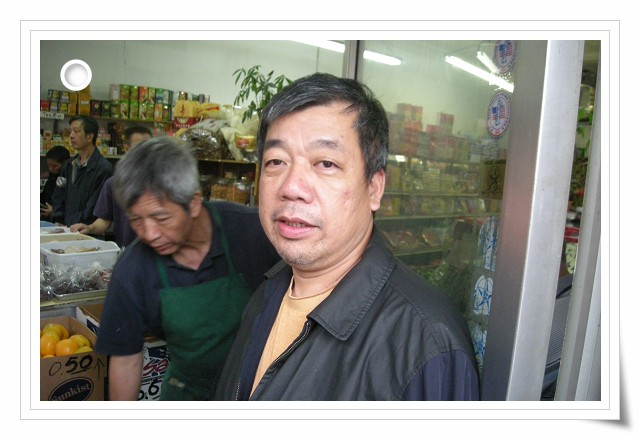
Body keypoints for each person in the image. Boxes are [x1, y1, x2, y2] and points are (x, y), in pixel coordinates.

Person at [215, 73, 480, 401]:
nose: (291, 187)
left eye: (326, 163)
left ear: (374, 188)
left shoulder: (425, 345)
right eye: (276, 161)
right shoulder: (266, 295)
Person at [94, 136, 281, 401]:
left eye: (161, 218)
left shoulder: (253, 232)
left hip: (260, 387)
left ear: (193, 203)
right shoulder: (133, 269)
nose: (149, 233)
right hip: (189, 393)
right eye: (135, 220)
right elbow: (126, 361)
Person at [70, 126, 152, 247]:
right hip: (128, 252)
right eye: (140, 148)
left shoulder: (163, 182)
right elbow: (104, 220)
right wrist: (90, 228)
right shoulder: (113, 184)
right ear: (126, 148)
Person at [50, 115, 113, 226]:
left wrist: (73, 225)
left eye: (76, 131)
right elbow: (59, 195)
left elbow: (94, 206)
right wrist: (58, 219)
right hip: (65, 229)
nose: (71, 135)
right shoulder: (68, 165)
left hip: (87, 231)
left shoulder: (103, 168)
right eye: (70, 131)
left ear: (89, 137)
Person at [40, 145, 71, 221]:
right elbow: (45, 195)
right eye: (48, 165)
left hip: (61, 219)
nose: (50, 169)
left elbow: (71, 204)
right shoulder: (52, 176)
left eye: (54, 166)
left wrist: (54, 211)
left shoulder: (70, 178)